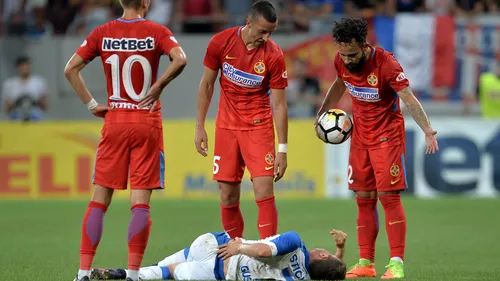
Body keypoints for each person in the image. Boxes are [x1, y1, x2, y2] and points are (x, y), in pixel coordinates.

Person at [63, 0, 187, 280]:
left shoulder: (102, 32)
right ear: (146, 2)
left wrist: (92, 105)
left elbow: (70, 69)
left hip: (115, 118)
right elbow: (180, 58)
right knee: (140, 203)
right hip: (146, 119)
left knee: (99, 200)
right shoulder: (157, 31)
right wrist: (157, 86)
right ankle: (132, 274)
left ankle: (83, 273)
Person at [315, 18, 439, 279]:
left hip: (387, 137)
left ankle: (396, 264)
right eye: (343, 54)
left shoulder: (386, 63)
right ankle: (366, 262)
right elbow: (339, 83)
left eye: (352, 54)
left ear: (364, 45)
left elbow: (408, 97)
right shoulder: (342, 61)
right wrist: (322, 113)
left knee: (389, 197)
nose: (347, 60)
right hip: (360, 137)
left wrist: (427, 129)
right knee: (363, 198)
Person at [194, 0, 289, 241]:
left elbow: (279, 104)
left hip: (258, 128)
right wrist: (200, 127)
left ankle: (268, 256)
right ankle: (235, 255)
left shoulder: (274, 55)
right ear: (249, 23)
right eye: (262, 31)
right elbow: (206, 84)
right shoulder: (221, 42)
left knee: (264, 190)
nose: (266, 37)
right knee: (227, 195)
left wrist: (283, 150)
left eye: (271, 32)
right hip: (226, 128)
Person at [91, 229, 348, 280]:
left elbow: (261, 250)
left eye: (327, 253)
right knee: (167, 273)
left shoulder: (295, 242)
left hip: (216, 244)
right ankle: (122, 275)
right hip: (216, 274)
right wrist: (340, 251)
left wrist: (240, 247)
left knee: (163, 267)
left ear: (323, 257)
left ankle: (123, 274)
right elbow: (333, 273)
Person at [2, 56, 48, 121]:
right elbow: (7, 108)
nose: (25, 67)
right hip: (16, 117)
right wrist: (17, 101)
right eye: (22, 65)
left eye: (27, 65)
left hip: (35, 117)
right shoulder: (9, 84)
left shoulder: (39, 82)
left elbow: (44, 106)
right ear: (17, 67)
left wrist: (33, 101)